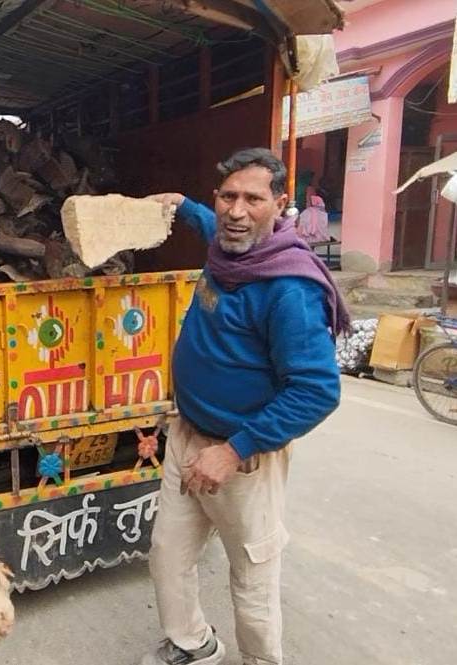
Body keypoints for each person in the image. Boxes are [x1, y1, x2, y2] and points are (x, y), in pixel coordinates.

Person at [140, 148, 346, 665]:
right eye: (228, 196)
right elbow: (209, 221)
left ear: (279, 204)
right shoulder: (227, 245)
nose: (236, 211)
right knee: (168, 553)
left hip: (243, 456)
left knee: (252, 575)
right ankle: (194, 644)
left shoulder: (288, 288)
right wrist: (180, 203)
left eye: (253, 199)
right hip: (188, 435)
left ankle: (260, 660)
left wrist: (234, 450)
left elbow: (317, 390)